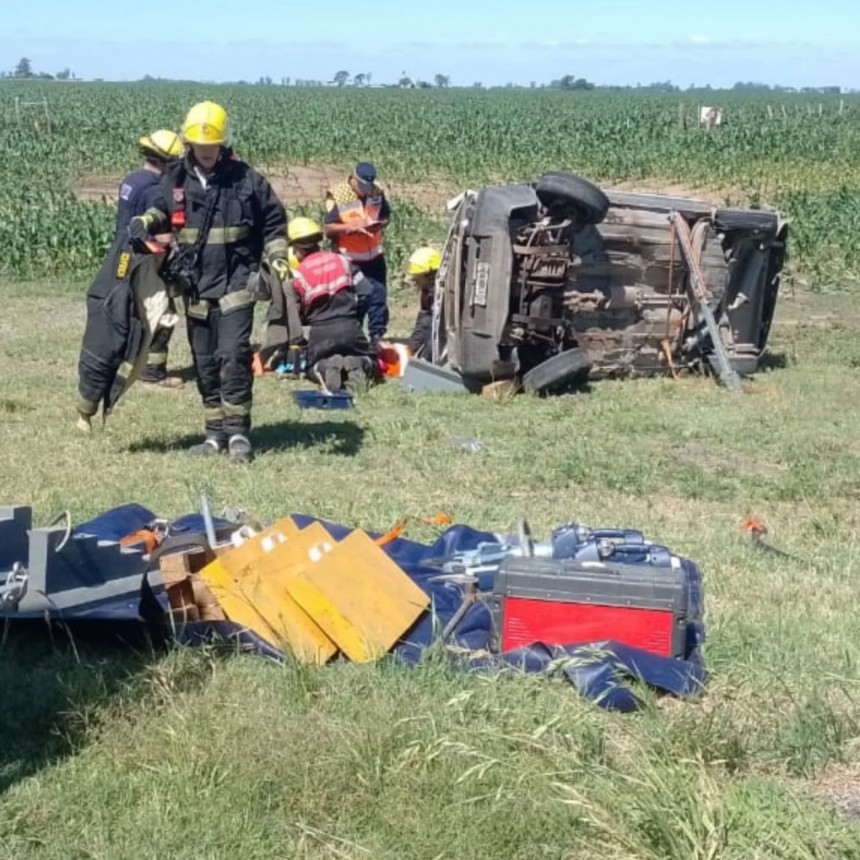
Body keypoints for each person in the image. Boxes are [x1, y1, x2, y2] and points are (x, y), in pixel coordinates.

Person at [128, 100, 289, 463]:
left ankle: (238, 435)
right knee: (204, 362)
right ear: (189, 144)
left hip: (236, 285)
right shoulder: (175, 179)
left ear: (223, 143)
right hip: (195, 288)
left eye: (211, 145)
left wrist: (278, 256)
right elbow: (161, 210)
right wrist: (147, 222)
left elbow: (274, 222)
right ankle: (214, 435)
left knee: (232, 356)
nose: (206, 152)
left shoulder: (246, 179)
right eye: (200, 146)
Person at [116, 129, 185, 388]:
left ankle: (137, 364)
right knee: (162, 314)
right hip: (146, 260)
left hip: (125, 256)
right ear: (167, 161)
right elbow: (160, 234)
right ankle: (152, 371)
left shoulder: (132, 179)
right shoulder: (156, 190)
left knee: (138, 311)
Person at [288, 217, 373, 392]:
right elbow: (366, 291)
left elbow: (295, 313)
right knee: (370, 358)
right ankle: (358, 363)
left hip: (321, 334)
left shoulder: (298, 275)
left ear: (296, 248)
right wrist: (355, 317)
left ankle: (325, 367)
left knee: (311, 367)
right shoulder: (343, 261)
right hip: (350, 328)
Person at [323, 161, 391, 347]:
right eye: (362, 186)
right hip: (349, 258)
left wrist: (379, 224)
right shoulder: (338, 194)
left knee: (379, 296)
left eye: (369, 186)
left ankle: (377, 335)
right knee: (359, 298)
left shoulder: (377, 191)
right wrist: (350, 227)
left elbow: (386, 216)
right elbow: (328, 227)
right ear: (353, 179)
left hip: (374, 255)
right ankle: (354, 334)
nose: (366, 190)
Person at [406, 246, 441, 359]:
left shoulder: (444, 294)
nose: (415, 281)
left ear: (430, 274)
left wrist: (426, 357)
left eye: (417, 277)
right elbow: (423, 323)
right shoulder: (427, 292)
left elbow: (437, 331)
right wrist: (411, 349)